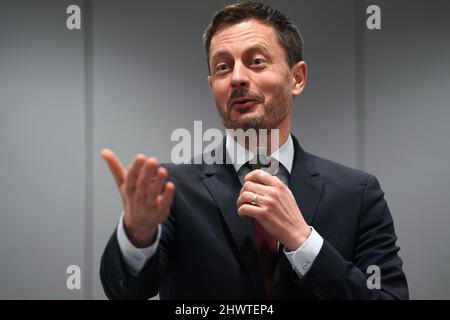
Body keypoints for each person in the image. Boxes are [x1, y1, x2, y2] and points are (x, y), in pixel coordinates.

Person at [99, 1, 408, 299]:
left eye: (256, 61)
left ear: (296, 78)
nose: (236, 78)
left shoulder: (358, 194)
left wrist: (303, 240)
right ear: (213, 88)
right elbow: (125, 290)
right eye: (223, 67)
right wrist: (138, 233)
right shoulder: (171, 189)